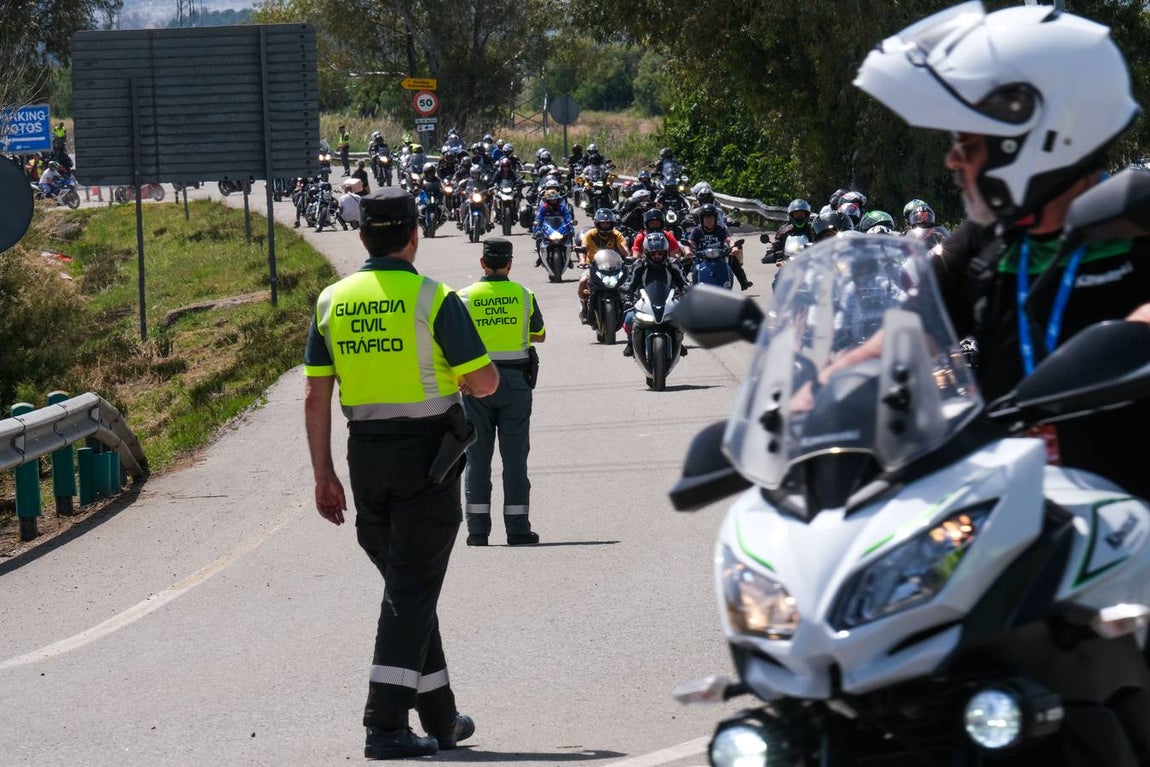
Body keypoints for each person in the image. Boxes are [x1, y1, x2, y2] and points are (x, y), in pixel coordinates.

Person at [855, 1, 1150, 499]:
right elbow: (904, 336)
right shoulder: (986, 242)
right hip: (1012, 514)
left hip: (1129, 517)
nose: (953, 161)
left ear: (1039, 138)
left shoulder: (1138, 220)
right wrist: (814, 397)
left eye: (967, 143)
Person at [303, 188, 498, 759]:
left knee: (408, 589)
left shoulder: (331, 300)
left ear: (363, 237)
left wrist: (323, 474)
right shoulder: (433, 297)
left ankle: (440, 718)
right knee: (410, 592)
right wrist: (463, 379)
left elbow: (316, 395)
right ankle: (384, 726)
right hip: (427, 460)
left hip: (365, 458)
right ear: (415, 236)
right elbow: (486, 383)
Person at [457, 239, 546, 546]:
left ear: (482, 263)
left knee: (476, 459)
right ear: (510, 264)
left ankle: (477, 532)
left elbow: (449, 343)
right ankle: (517, 529)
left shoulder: (463, 298)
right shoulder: (523, 294)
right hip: (515, 384)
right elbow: (539, 334)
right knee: (515, 459)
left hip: (475, 385)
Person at [620, 231, 689, 357]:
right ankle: (630, 343)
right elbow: (630, 284)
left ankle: (678, 342)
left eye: (660, 253)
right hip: (643, 302)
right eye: (653, 254)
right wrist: (627, 298)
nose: (657, 256)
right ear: (647, 253)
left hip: (669, 302)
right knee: (629, 318)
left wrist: (688, 292)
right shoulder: (638, 265)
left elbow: (683, 282)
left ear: (666, 252)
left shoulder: (673, 264)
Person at [577, 208, 629, 324]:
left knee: (626, 286)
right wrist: (582, 261)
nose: (605, 225)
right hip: (594, 266)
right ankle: (584, 308)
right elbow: (583, 248)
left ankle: (626, 309)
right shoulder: (590, 234)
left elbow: (624, 248)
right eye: (603, 223)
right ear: (597, 223)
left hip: (614, 267)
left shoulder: (616, 235)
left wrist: (629, 257)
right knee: (583, 281)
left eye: (607, 223)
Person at [684, 204, 752, 290]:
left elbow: (729, 240)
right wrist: (687, 251)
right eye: (706, 218)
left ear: (715, 218)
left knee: (732, 258)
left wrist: (734, 247)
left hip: (719, 257)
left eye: (711, 217)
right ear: (702, 219)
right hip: (701, 259)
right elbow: (689, 243)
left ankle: (743, 281)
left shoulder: (720, 229)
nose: (709, 220)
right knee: (687, 262)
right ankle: (682, 285)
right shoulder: (697, 230)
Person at [764, 199, 814, 264]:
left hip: (811, 262)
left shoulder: (813, 230)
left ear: (806, 215)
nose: (799, 216)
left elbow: (822, 241)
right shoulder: (784, 231)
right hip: (788, 263)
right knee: (779, 271)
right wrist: (770, 251)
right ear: (791, 215)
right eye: (796, 214)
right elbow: (777, 244)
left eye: (801, 213)